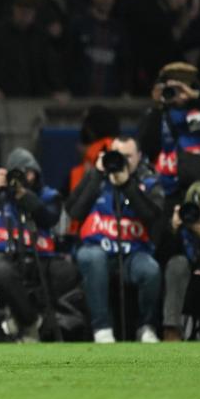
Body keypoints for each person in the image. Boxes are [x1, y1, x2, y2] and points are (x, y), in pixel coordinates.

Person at [0, 148, 80, 342]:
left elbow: (48, 218)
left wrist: (26, 196)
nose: (26, 177)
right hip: (1, 253)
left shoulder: (48, 195)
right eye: (20, 173)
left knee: (66, 272)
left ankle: (60, 326)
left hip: (40, 255)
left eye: (30, 172)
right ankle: (30, 322)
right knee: (0, 271)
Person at [66, 136, 163, 343]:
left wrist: (127, 184)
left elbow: (152, 216)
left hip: (133, 254)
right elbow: (74, 212)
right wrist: (96, 175)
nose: (123, 161)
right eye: (118, 155)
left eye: (128, 156)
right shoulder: (96, 177)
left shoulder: (148, 181)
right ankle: (102, 329)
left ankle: (146, 327)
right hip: (96, 249)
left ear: (139, 157)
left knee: (151, 270)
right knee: (94, 258)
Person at [138, 62, 200, 204]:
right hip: (167, 187)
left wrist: (198, 97)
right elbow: (147, 147)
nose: (178, 93)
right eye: (172, 88)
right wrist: (157, 107)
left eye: (182, 87)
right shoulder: (157, 113)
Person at [160, 181, 200, 341]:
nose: (199, 216)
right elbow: (162, 258)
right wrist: (173, 229)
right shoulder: (181, 227)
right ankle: (172, 331)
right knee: (177, 263)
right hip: (186, 281)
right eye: (196, 210)